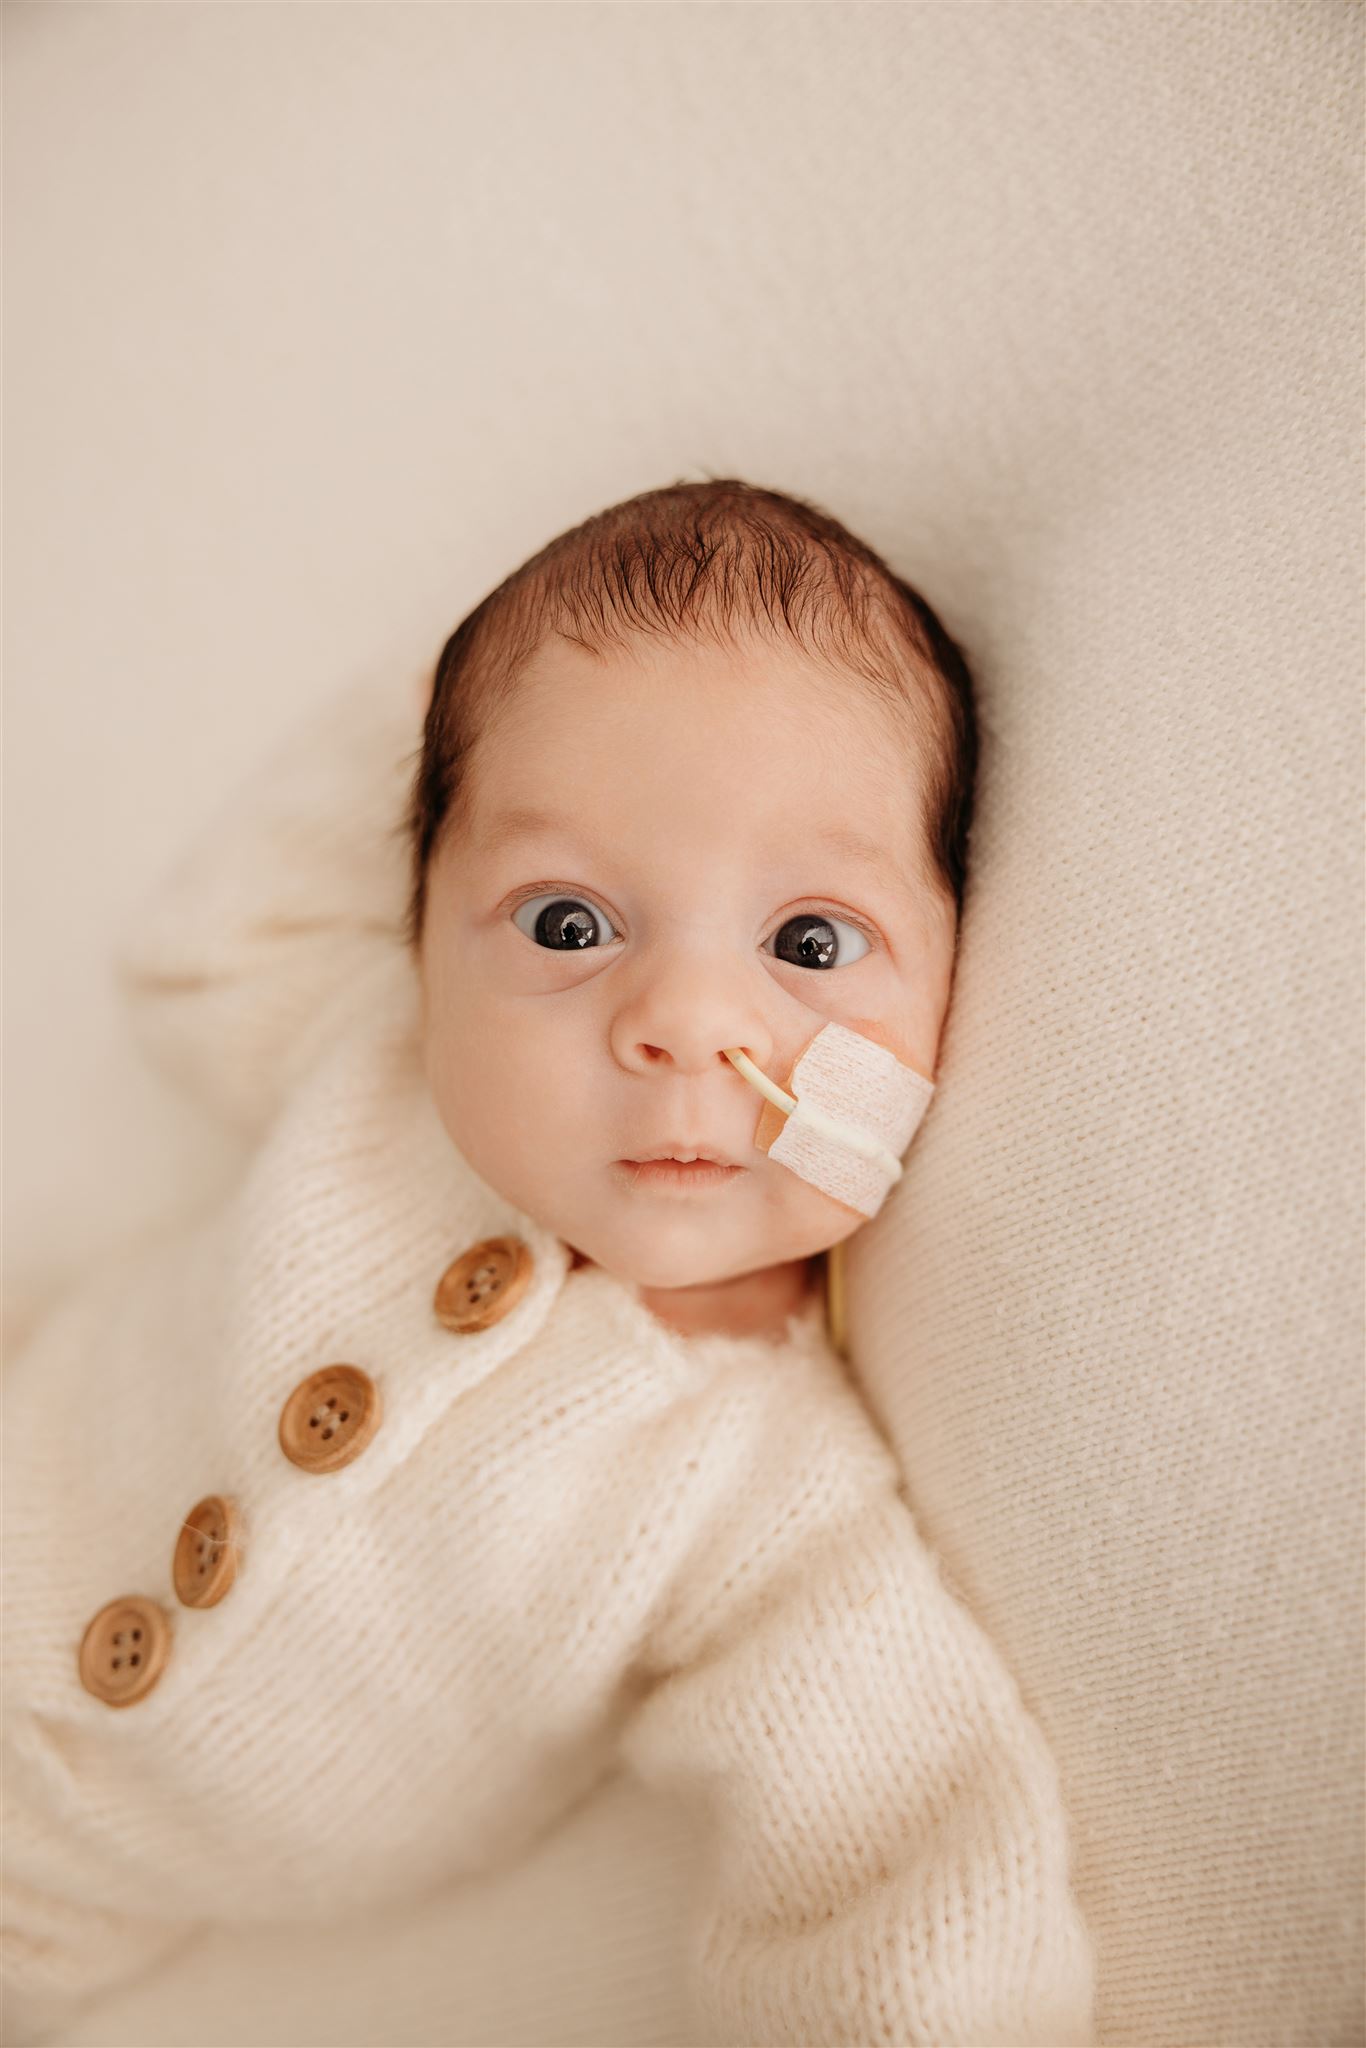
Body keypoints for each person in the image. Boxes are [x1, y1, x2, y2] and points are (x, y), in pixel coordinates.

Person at [2, 479, 1096, 2046]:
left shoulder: (758, 1506)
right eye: (569, 920)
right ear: (425, 934)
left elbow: (895, 1848)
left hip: (61, 1877)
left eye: (805, 944)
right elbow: (199, 953)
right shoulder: (377, 1063)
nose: (682, 1020)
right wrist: (460, 722)